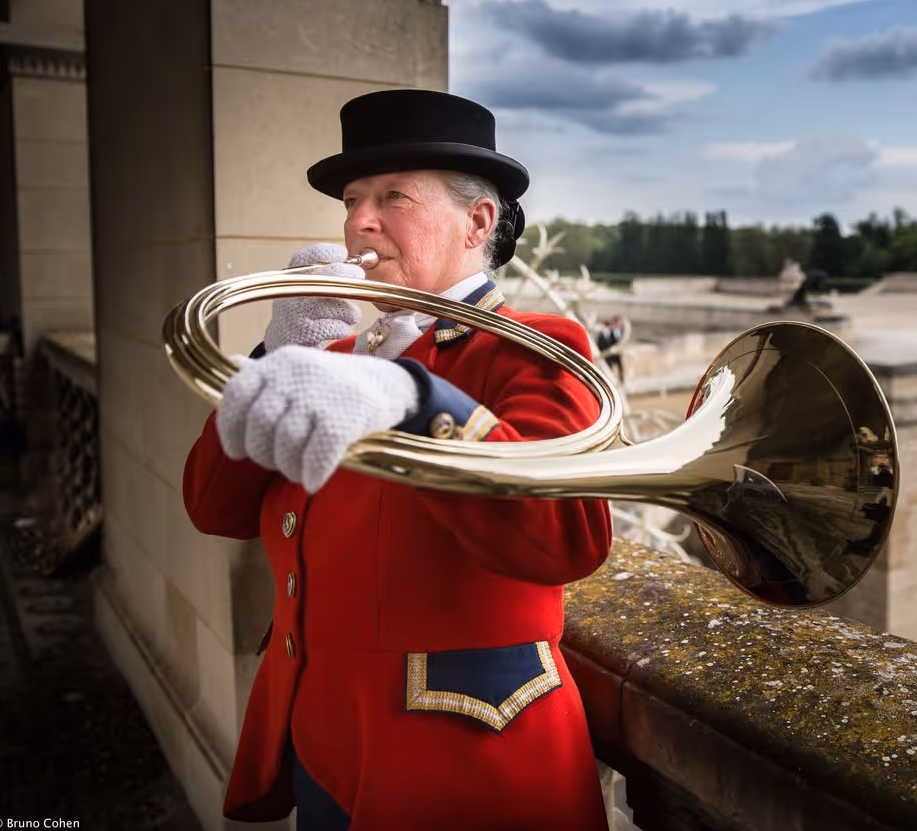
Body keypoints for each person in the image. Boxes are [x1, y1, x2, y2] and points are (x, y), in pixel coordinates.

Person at [182, 89, 612, 829]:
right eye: (352, 200)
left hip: (464, 758)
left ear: (478, 221)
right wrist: (278, 354)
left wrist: (414, 393)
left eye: (392, 197)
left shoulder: (537, 345)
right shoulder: (338, 354)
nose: (358, 224)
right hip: (319, 736)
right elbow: (212, 506)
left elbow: (567, 538)